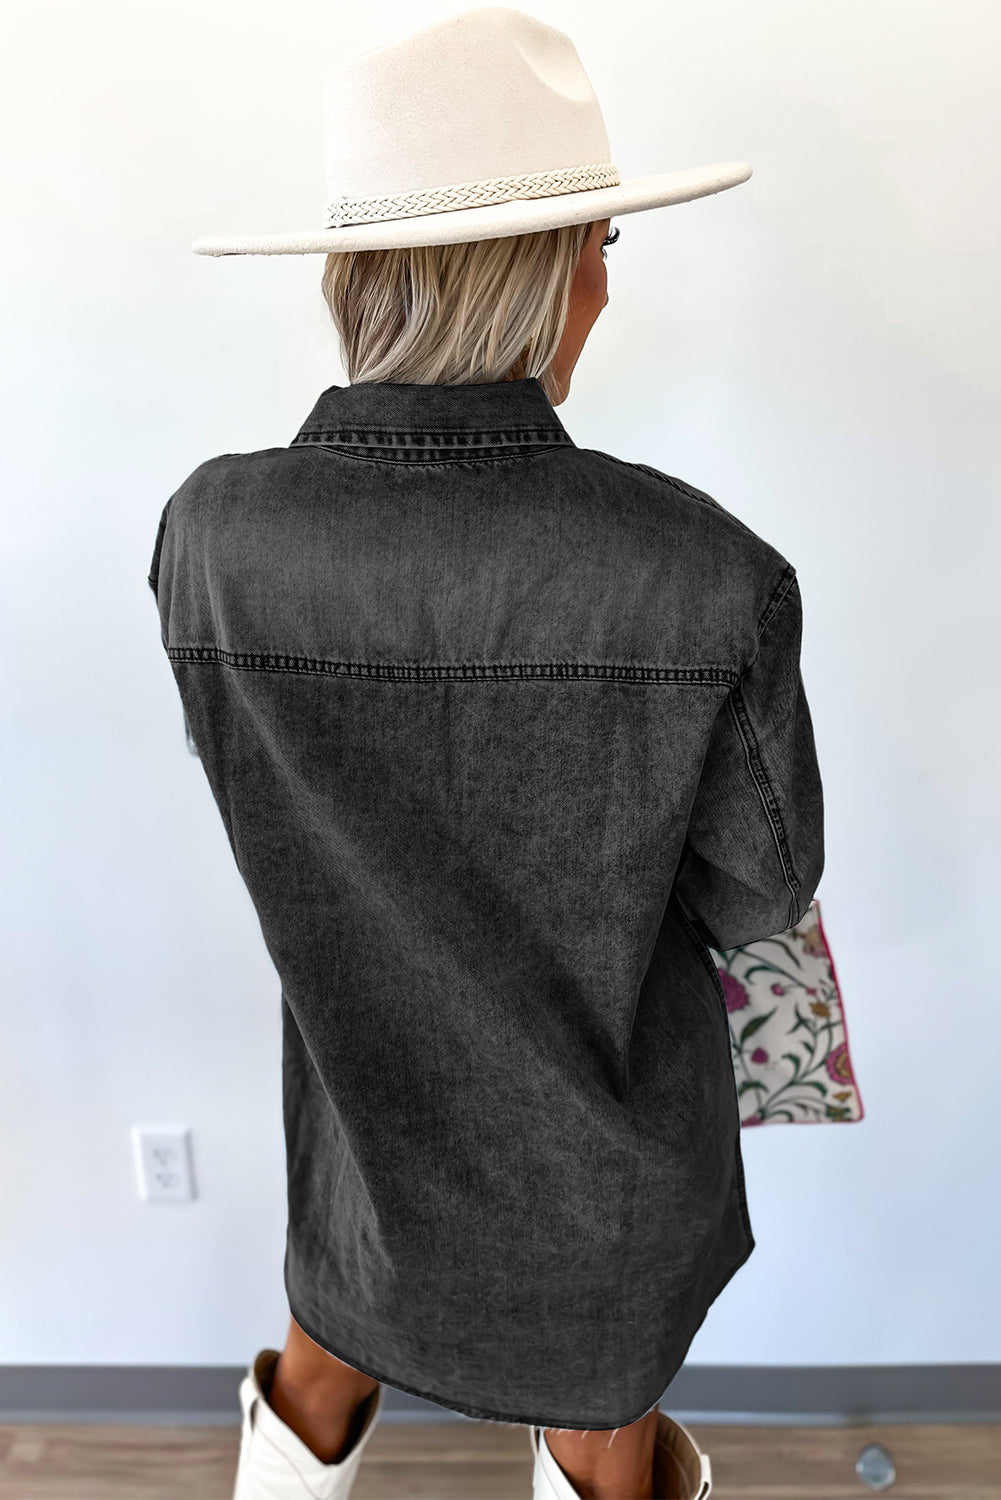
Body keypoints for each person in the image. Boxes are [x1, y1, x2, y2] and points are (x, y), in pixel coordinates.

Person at [149, 10, 825, 1500]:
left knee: (323, 1359)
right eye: (599, 246)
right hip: (606, 1156)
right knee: (598, 1425)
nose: (605, 288)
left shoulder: (212, 534)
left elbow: (275, 795)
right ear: (543, 270)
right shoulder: (703, 572)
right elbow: (762, 892)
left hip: (361, 1121)